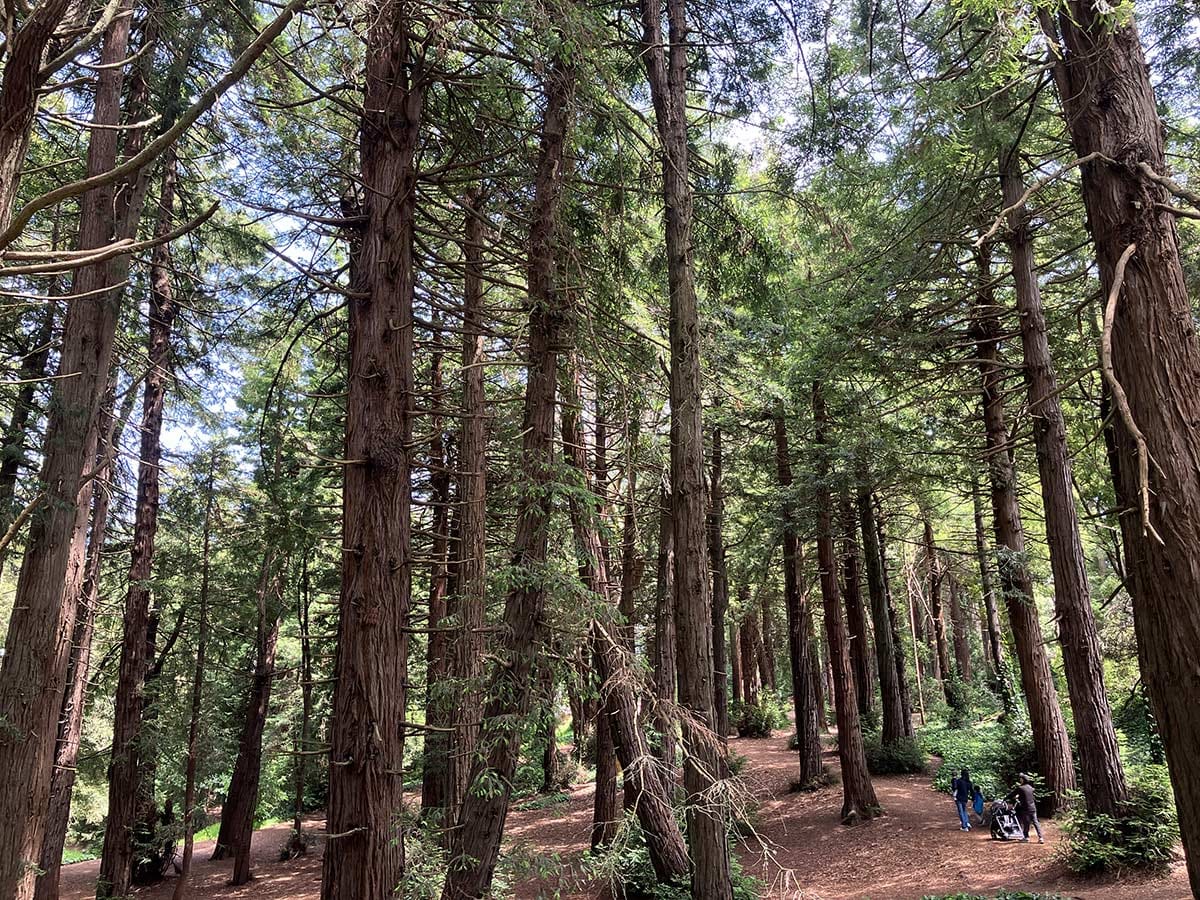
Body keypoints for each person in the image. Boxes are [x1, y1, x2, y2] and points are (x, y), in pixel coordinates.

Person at [1007, 774, 1044, 843]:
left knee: (1026, 823)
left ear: (1023, 780)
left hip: (1025, 808)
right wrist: (1019, 797)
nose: (1020, 779)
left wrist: (1005, 798)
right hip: (1033, 808)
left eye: (1021, 778)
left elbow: (1012, 794)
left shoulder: (1021, 788)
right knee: (1036, 822)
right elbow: (1028, 796)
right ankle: (1041, 838)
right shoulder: (1031, 788)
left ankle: (1026, 838)